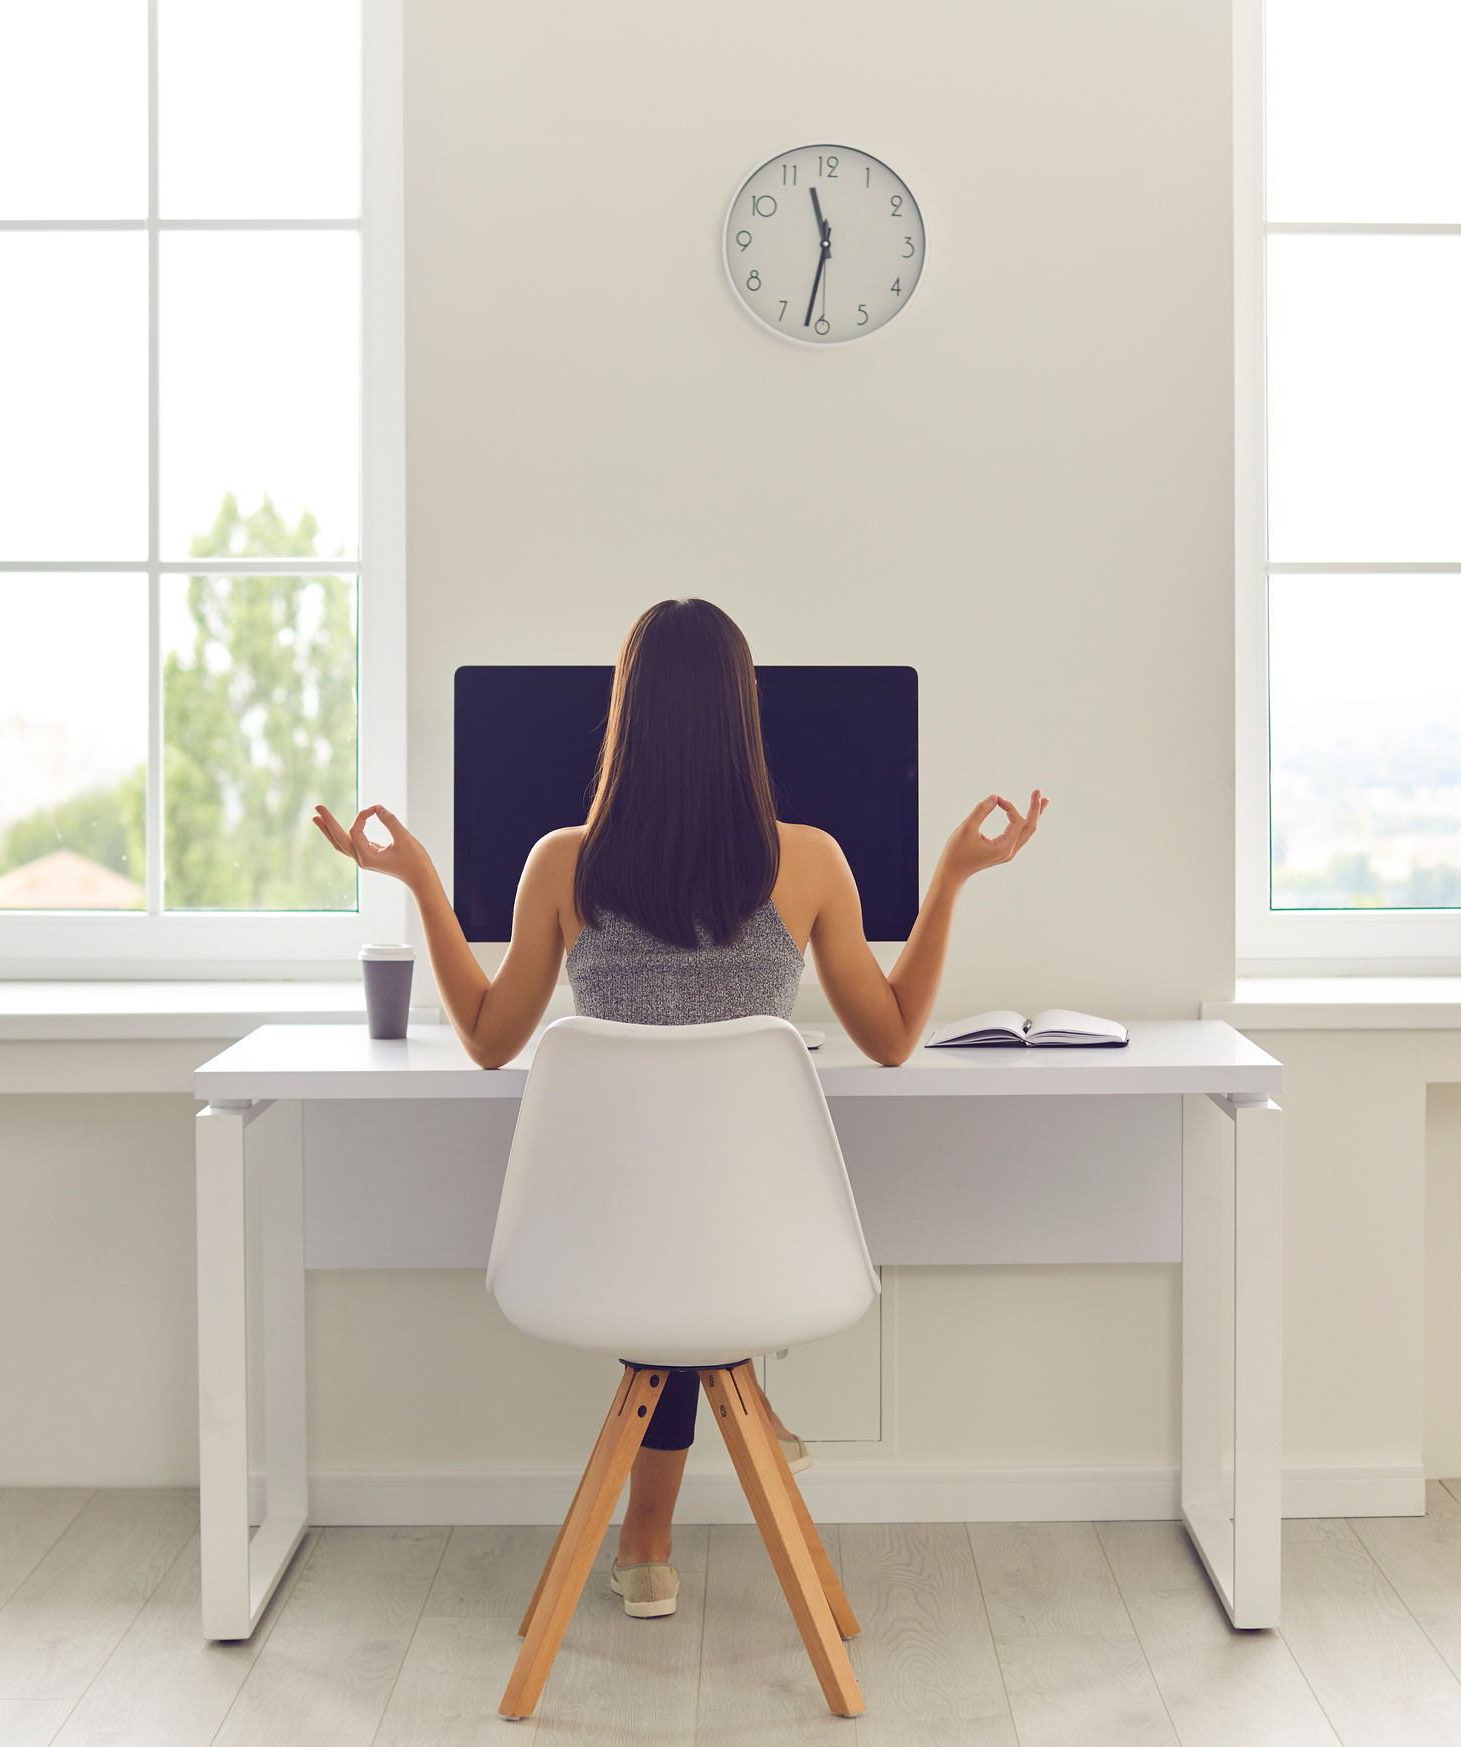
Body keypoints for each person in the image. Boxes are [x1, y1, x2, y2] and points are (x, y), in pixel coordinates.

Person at [311, 597, 1046, 1621]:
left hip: (605, 1239)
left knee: (669, 1242)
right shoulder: (814, 863)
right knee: (700, 1253)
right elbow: (890, 1036)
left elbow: (484, 1039)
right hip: (757, 1243)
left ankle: (647, 1538)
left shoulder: (561, 865)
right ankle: (722, 1400)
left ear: (626, 715)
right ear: (745, 717)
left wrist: (423, 884)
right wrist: (954, 881)